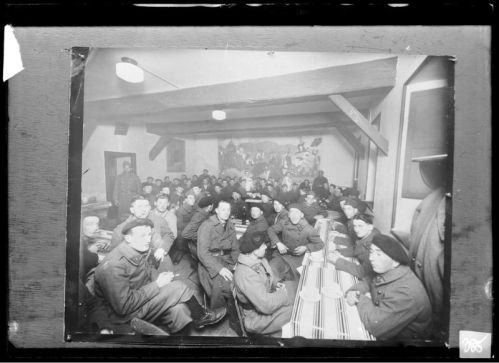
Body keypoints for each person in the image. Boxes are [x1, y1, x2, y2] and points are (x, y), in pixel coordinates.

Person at [94, 218, 227, 334]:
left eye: (149, 235)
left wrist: (158, 279)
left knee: (179, 311)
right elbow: (124, 307)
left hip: (139, 302)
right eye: (142, 236)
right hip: (125, 317)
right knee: (179, 287)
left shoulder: (136, 250)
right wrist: (158, 284)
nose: (148, 240)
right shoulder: (113, 266)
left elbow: (144, 274)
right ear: (128, 238)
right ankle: (201, 316)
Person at [345, 234, 432, 341]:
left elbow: (374, 325)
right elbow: (368, 280)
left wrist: (358, 298)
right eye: (372, 252)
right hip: (383, 318)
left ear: (396, 261)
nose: (371, 258)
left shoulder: (406, 292)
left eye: (379, 254)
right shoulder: (388, 268)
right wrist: (354, 291)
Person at [233, 231, 297, 336]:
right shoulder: (245, 274)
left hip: (264, 300)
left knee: (294, 288)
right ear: (254, 251)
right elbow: (266, 305)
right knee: (296, 311)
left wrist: (276, 283)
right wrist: (285, 295)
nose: (265, 247)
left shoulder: (259, 259)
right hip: (255, 318)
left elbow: (267, 276)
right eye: (262, 245)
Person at [197, 199, 241, 333]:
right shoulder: (207, 225)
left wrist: (233, 264)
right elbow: (202, 253)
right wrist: (220, 269)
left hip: (227, 260)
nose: (226, 213)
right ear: (216, 210)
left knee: (242, 280)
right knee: (226, 287)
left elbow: (235, 247)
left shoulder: (230, 225)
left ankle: (237, 315)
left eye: (228, 209)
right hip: (210, 264)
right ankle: (226, 316)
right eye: (223, 209)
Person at [110, 196, 176, 268]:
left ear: (150, 208)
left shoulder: (159, 220)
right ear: (132, 210)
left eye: (146, 206)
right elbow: (115, 253)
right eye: (139, 206)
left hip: (157, 260)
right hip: (135, 265)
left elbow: (169, 235)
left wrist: (162, 248)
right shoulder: (121, 229)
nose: (144, 209)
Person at [267, 204, 324, 281]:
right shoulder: (284, 223)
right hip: (283, 255)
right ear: (289, 215)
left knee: (296, 282)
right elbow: (270, 230)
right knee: (270, 270)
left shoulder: (308, 229)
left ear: (301, 215)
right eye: (291, 212)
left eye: (296, 212)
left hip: (298, 259)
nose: (294, 215)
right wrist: (278, 243)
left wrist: (306, 247)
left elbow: (320, 244)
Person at [328, 214, 380, 280]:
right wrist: (339, 251)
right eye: (355, 226)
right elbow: (356, 248)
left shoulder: (372, 247)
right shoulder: (369, 234)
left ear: (370, 227)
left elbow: (363, 272)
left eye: (360, 226)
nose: (357, 230)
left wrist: (338, 261)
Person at [182, 196, 214, 262]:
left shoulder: (205, 214)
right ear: (209, 207)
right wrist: (203, 235)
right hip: (196, 246)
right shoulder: (199, 216)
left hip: (200, 245)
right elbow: (185, 234)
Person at [171, 193, 197, 263]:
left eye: (193, 198)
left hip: (188, 232)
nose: (193, 200)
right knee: (180, 250)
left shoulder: (193, 208)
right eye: (190, 198)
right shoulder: (181, 210)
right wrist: (192, 225)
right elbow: (179, 225)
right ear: (185, 200)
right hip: (182, 233)